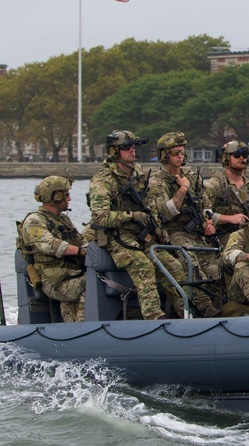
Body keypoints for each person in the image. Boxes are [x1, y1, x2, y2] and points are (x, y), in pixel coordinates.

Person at [88, 130, 186, 320]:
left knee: (173, 265)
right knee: (143, 265)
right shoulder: (103, 180)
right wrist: (132, 216)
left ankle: (185, 312)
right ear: (115, 151)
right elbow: (100, 217)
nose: (132, 151)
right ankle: (153, 316)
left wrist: (157, 230)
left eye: (133, 147)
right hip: (117, 237)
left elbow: (151, 208)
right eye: (126, 147)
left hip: (142, 235)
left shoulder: (139, 175)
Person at [146, 131, 220, 317]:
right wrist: (183, 189)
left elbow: (206, 203)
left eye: (182, 152)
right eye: (175, 153)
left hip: (197, 233)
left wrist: (208, 220)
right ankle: (203, 310)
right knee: (191, 265)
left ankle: (221, 307)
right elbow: (164, 214)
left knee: (215, 269)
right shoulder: (156, 182)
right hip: (174, 232)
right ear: (164, 155)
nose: (180, 156)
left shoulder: (192, 176)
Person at [17, 176, 87, 322]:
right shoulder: (34, 221)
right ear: (56, 197)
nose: (70, 199)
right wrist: (81, 251)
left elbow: (81, 241)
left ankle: (71, 326)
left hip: (68, 273)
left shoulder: (63, 220)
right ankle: (83, 326)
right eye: (66, 195)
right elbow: (50, 245)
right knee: (90, 283)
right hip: (51, 279)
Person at [203, 140, 249, 248]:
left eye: (244, 155)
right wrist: (229, 218)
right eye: (236, 155)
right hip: (221, 236)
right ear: (226, 158)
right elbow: (203, 212)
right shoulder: (215, 184)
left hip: (247, 234)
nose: (242, 158)